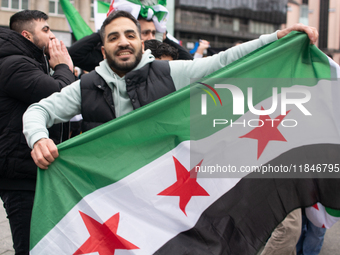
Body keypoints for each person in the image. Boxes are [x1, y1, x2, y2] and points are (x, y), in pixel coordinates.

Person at [23, 11, 317, 171]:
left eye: (130, 35)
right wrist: (38, 139)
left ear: (141, 42)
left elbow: (223, 61)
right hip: (111, 195)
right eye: (113, 37)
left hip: (165, 190)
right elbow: (38, 111)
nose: (123, 42)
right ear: (103, 49)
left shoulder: (170, 72)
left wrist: (275, 39)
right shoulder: (86, 86)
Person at [0, 10, 75, 254]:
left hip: (33, 170)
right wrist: (63, 66)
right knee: (31, 246)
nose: (52, 35)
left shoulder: (28, 62)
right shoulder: (14, 64)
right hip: (22, 174)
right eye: (46, 30)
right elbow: (60, 96)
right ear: (27, 35)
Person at [68, 16, 192, 72]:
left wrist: (166, 38)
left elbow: (189, 62)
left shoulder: (161, 56)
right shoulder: (117, 60)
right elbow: (74, 54)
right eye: (146, 32)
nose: (151, 37)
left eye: (154, 33)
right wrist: (106, 31)